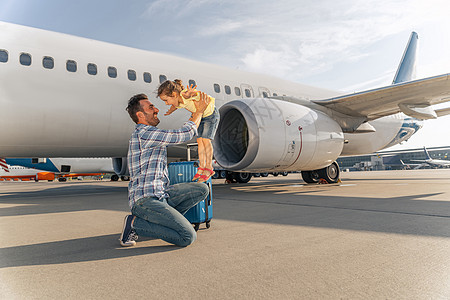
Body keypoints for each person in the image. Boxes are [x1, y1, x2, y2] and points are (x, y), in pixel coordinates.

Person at [119, 92, 211, 247]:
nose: (157, 110)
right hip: (146, 200)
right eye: (151, 107)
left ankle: (166, 223)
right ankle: (135, 224)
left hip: (162, 194)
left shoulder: (151, 134)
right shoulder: (144, 133)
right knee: (187, 237)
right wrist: (198, 111)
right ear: (140, 114)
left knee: (202, 189)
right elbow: (184, 134)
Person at [157, 80, 219, 183]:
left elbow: (196, 94)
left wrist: (191, 93)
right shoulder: (179, 101)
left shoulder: (185, 95)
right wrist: (171, 110)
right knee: (199, 141)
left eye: (166, 100)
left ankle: (209, 168)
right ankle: (202, 167)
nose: (166, 103)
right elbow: (175, 105)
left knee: (206, 140)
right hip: (201, 116)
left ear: (174, 94)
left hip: (211, 115)